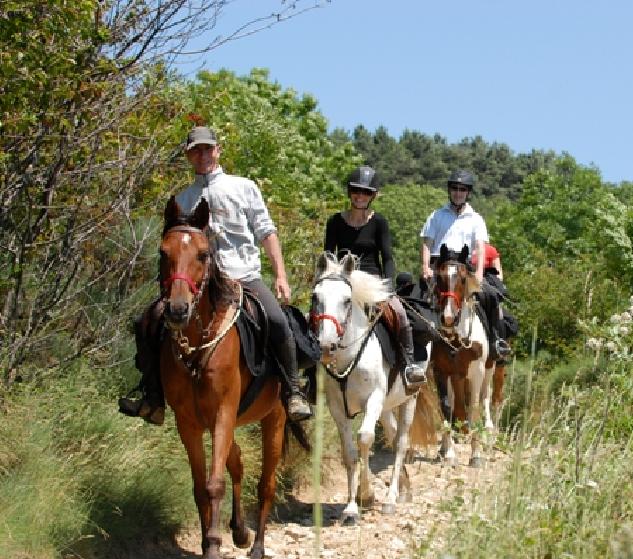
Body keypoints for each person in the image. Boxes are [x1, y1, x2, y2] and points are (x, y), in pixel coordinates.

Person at [118, 125, 312, 424]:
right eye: (196, 150)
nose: (202, 155)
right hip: (197, 284)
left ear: (218, 151)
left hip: (243, 274)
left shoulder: (243, 187)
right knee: (149, 320)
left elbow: (266, 232)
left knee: (276, 319)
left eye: (207, 149)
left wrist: (281, 275)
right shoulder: (182, 200)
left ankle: (292, 391)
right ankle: (153, 396)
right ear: (188, 156)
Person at [323, 165, 427, 386]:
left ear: (373, 195)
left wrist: (388, 287)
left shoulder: (379, 222)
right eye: (356, 191)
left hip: (372, 284)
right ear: (349, 192)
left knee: (399, 314)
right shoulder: (334, 222)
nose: (360, 196)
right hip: (343, 282)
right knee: (317, 315)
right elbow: (328, 258)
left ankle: (409, 366)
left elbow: (387, 258)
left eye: (366, 192)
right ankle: (310, 378)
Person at [420, 169, 511, 359]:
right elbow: (427, 243)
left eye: (462, 189)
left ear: (468, 192)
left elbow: (480, 246)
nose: (458, 192)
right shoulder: (436, 215)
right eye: (454, 188)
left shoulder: (476, 219)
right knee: (412, 298)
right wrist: (425, 267)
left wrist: (478, 273)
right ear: (449, 190)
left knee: (491, 297)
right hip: (440, 267)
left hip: (463, 268)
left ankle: (495, 342)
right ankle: (413, 353)